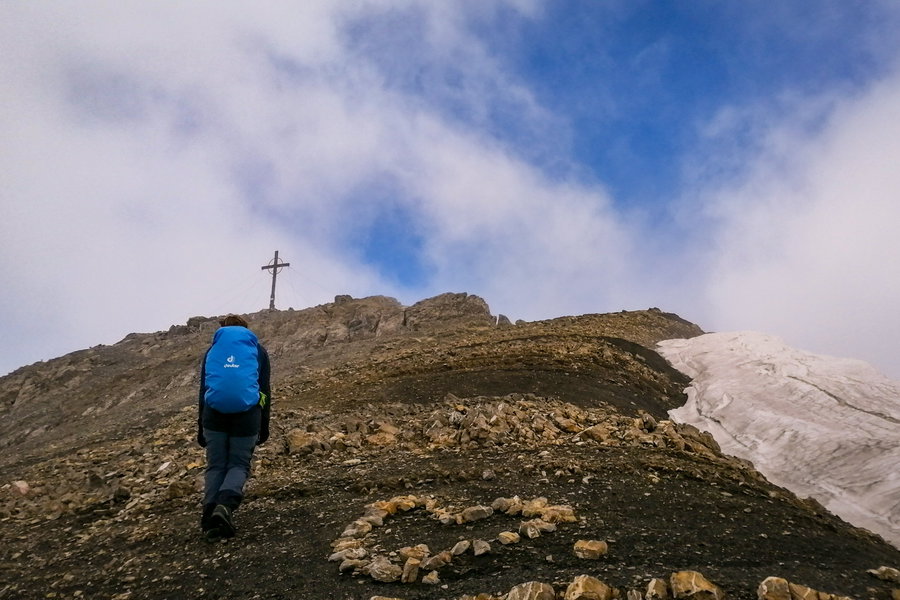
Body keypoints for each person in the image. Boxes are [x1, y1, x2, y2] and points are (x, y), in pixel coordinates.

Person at [197, 314, 271, 541]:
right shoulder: (257, 350)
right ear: (246, 329)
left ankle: (210, 515)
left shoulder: (212, 352)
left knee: (216, 465)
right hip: (247, 416)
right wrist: (264, 426)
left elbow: (203, 390)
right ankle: (225, 507)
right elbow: (265, 389)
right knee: (238, 464)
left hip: (213, 415)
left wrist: (201, 426)